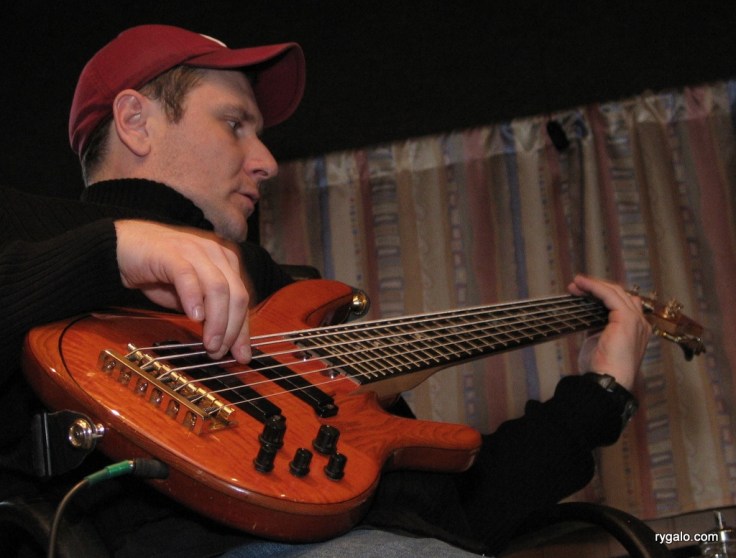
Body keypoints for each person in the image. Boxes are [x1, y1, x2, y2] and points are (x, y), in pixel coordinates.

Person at [0, 24, 652, 557]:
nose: (266, 161)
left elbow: (451, 516)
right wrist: (117, 248)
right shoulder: (26, 227)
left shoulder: (291, 298)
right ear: (136, 122)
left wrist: (600, 395)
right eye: (235, 124)